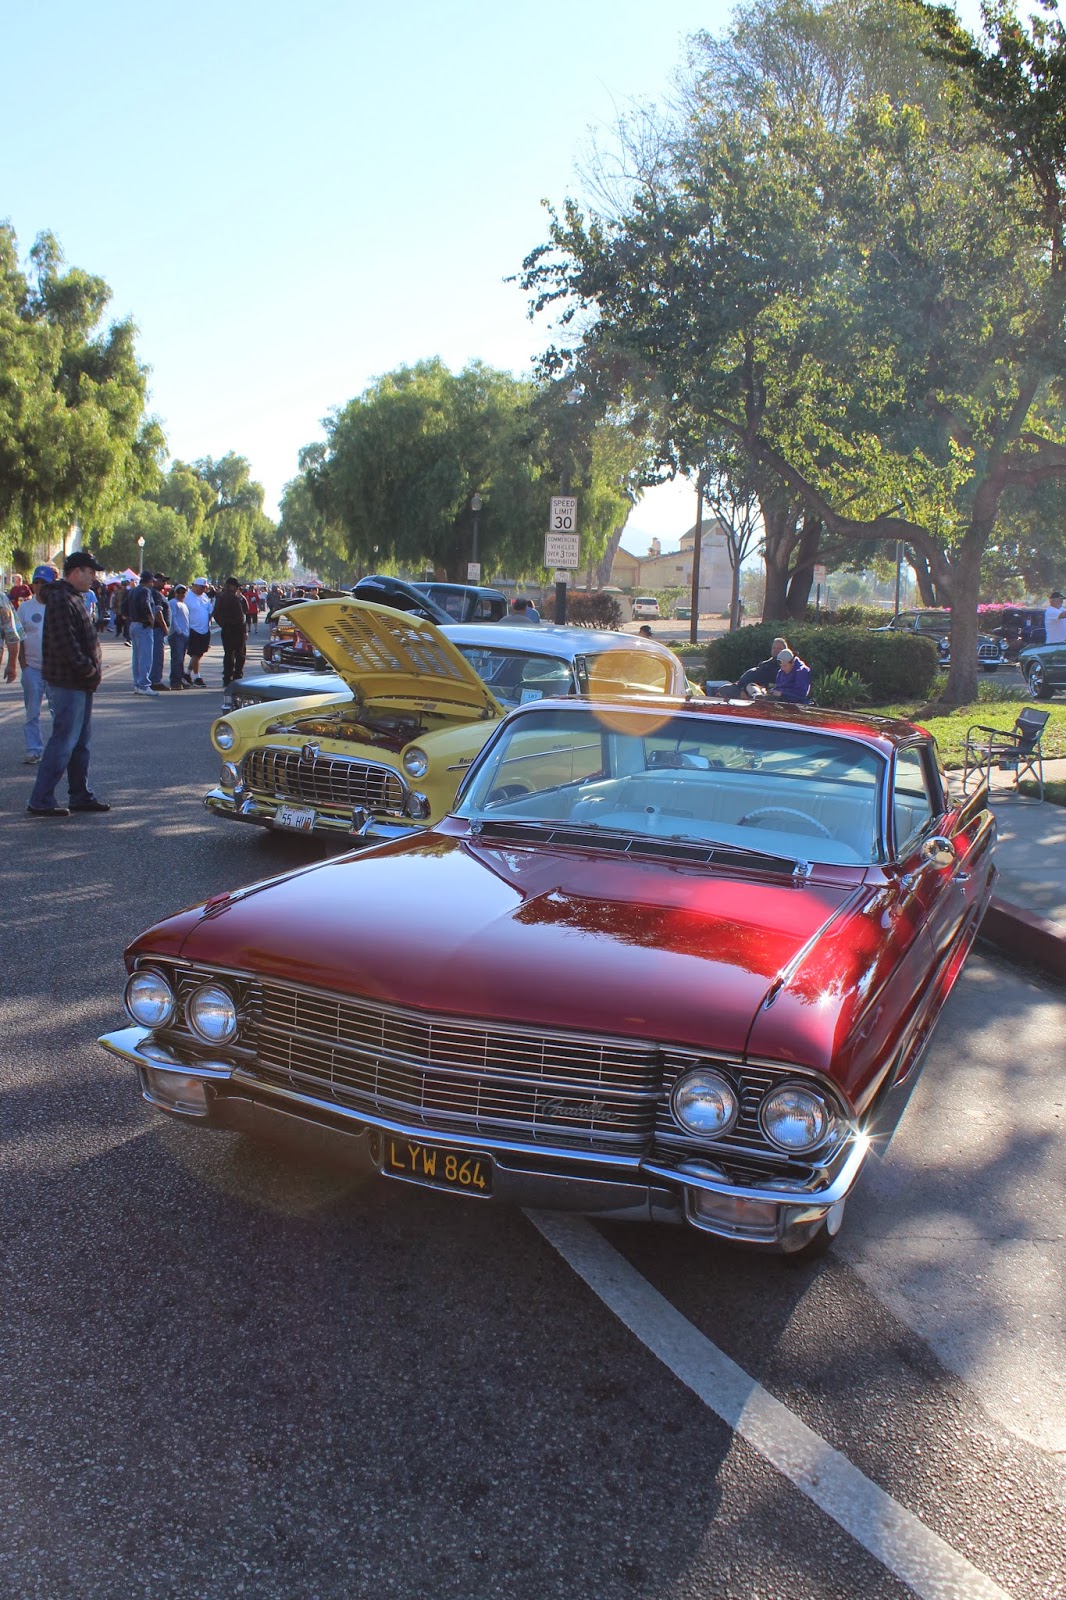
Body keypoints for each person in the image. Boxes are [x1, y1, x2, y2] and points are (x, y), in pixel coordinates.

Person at [26, 550, 110, 817]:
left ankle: (79, 795)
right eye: (90, 572)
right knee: (64, 740)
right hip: (68, 681)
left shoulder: (72, 597)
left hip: (79, 682)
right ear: (76, 572)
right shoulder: (63, 599)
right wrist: (88, 669)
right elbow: (66, 644)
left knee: (80, 742)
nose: (93, 577)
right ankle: (41, 800)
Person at [17, 563, 57, 764]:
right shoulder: (25, 608)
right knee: (32, 711)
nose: (39, 586)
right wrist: (21, 663)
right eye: (36, 582)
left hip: (55, 670)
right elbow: (18, 637)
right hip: (32, 668)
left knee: (58, 712)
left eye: (44, 582)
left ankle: (60, 749)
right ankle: (34, 748)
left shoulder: (58, 606)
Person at [716, 637, 789, 699]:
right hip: (740, 685)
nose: (775, 650)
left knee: (725, 691)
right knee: (721, 690)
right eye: (774, 648)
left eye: (779, 648)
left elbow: (768, 683)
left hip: (752, 689)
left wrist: (744, 690)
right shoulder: (769, 662)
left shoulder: (782, 666)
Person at [213, 575, 250, 685]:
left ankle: (226, 677)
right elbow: (241, 617)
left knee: (228, 654)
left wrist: (223, 624)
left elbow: (215, 614)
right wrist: (244, 631)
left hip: (226, 629)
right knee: (240, 654)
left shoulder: (219, 597)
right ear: (232, 586)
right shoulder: (234, 598)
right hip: (236, 629)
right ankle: (237, 675)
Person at [128, 570, 158, 694]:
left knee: (136, 657)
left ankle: (137, 683)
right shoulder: (145, 591)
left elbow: (124, 606)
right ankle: (144, 685)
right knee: (145, 657)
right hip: (143, 625)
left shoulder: (133, 590)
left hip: (133, 623)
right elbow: (146, 604)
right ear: (149, 581)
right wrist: (151, 618)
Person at [184, 577, 214, 685]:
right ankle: (197, 677)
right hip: (193, 629)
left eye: (205, 587)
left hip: (204, 629)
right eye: (201, 587)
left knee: (200, 653)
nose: (203, 590)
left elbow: (210, 611)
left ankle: (187, 673)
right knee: (195, 653)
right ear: (195, 586)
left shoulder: (205, 596)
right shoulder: (188, 597)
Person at [148, 573, 171, 690]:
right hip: (157, 629)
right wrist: (165, 628)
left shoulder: (156, 593)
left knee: (155, 655)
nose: (164, 583)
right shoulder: (155, 593)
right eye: (162, 581)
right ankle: (155, 680)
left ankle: (153, 679)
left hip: (156, 629)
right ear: (155, 581)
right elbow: (158, 612)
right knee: (157, 656)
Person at [167, 584, 191, 688]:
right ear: (175, 593)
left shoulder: (184, 604)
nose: (181, 594)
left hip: (185, 634)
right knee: (177, 659)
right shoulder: (173, 603)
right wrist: (178, 630)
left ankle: (180, 678)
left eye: (183, 592)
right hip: (177, 634)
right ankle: (175, 681)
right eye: (179, 592)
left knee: (181, 659)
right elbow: (173, 617)